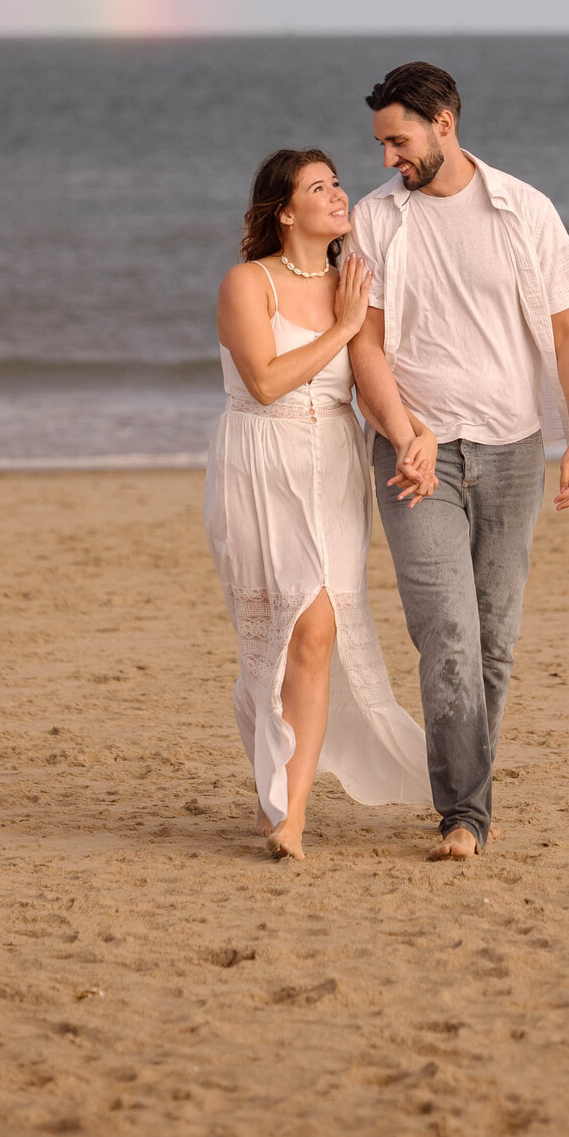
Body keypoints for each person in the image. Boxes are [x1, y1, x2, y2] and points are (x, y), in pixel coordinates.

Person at [346, 63, 569, 862]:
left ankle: (463, 796)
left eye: (398, 140)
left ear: (444, 122)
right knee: (447, 636)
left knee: (494, 642)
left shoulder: (525, 209)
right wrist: (404, 429)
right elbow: (366, 343)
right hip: (415, 459)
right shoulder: (375, 218)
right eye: (381, 143)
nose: (388, 158)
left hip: (514, 448)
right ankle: (465, 815)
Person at [204, 147, 435, 861]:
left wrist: (409, 433)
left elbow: (368, 378)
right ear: (285, 212)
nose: (338, 195)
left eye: (337, 183)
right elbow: (267, 382)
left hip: (333, 464)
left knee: (319, 629)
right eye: (319, 187)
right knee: (276, 637)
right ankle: (280, 788)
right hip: (259, 464)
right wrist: (339, 326)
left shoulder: (351, 282)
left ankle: (291, 816)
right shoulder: (248, 283)